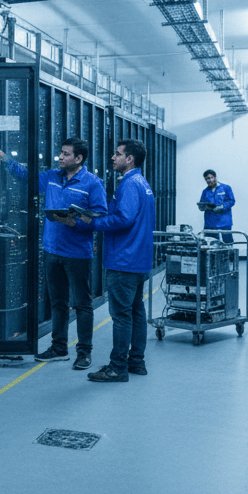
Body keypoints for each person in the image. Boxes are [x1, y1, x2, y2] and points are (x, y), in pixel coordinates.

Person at [0, 136, 108, 369]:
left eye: (65, 154)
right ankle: (59, 347)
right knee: (58, 303)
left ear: (79, 158)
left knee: (82, 304)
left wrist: (77, 223)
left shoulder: (93, 183)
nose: (60, 157)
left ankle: (84, 352)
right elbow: (25, 176)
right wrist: (2, 156)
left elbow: (100, 216)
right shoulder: (53, 177)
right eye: (61, 153)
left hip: (77, 253)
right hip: (52, 250)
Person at [72, 139, 156, 383]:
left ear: (129, 159)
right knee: (136, 312)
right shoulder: (143, 182)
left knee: (121, 315)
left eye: (117, 154)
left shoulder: (129, 184)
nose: (112, 157)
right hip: (139, 259)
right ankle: (136, 362)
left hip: (124, 260)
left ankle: (117, 367)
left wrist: (93, 223)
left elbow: (124, 219)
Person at [200, 169, 235, 243]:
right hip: (210, 222)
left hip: (224, 221)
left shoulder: (226, 188)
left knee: (228, 243)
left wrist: (222, 207)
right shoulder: (205, 191)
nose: (209, 180)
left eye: (210, 178)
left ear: (215, 177)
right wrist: (202, 207)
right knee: (211, 243)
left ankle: (230, 254)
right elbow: (202, 203)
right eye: (206, 179)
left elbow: (232, 200)